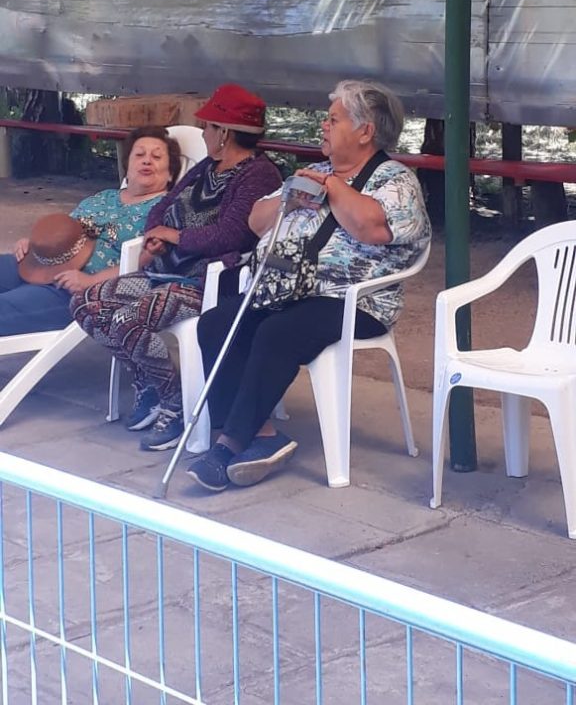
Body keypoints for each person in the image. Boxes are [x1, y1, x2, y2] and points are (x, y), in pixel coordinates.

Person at [188, 79, 432, 493]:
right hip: (287, 289)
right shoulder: (314, 172)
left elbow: (371, 227)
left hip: (353, 300)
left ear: (365, 131)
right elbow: (255, 222)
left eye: (334, 119)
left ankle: (228, 445)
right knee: (217, 322)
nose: (323, 125)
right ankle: (261, 435)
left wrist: (334, 188)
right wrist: (289, 200)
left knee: (277, 331)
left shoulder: (395, 180)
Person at [71, 84, 281, 452]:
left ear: (224, 132)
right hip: (162, 271)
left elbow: (232, 234)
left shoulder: (258, 175)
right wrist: (156, 235)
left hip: (207, 281)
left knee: (125, 321)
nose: (203, 132)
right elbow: (163, 206)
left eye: (208, 126)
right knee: (86, 304)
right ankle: (154, 386)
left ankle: (175, 401)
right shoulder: (207, 166)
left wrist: (175, 236)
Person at [0, 125, 180, 337]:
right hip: (39, 264)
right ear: (127, 166)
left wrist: (91, 282)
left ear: (170, 173)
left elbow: (148, 264)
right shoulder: (104, 197)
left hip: (73, 289)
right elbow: (61, 232)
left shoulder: (166, 210)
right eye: (139, 155)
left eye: (156, 157)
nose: (147, 161)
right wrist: (34, 245)